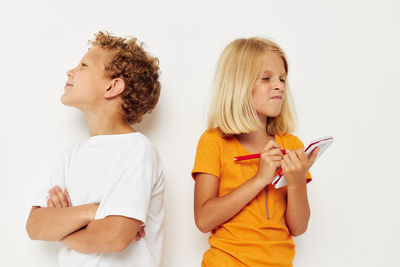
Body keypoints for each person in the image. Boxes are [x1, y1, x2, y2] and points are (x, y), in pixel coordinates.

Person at [26, 31, 164, 267]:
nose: (70, 71)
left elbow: (114, 237)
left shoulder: (137, 151)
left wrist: (63, 224)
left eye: (83, 65)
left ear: (112, 87)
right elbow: (35, 226)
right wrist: (92, 211)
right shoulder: (71, 155)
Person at [192, 37, 320, 266]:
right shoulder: (213, 141)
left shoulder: (291, 144)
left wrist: (297, 181)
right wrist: (260, 178)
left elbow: (298, 228)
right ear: (239, 84)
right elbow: (203, 219)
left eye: (282, 78)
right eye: (266, 78)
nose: (279, 85)